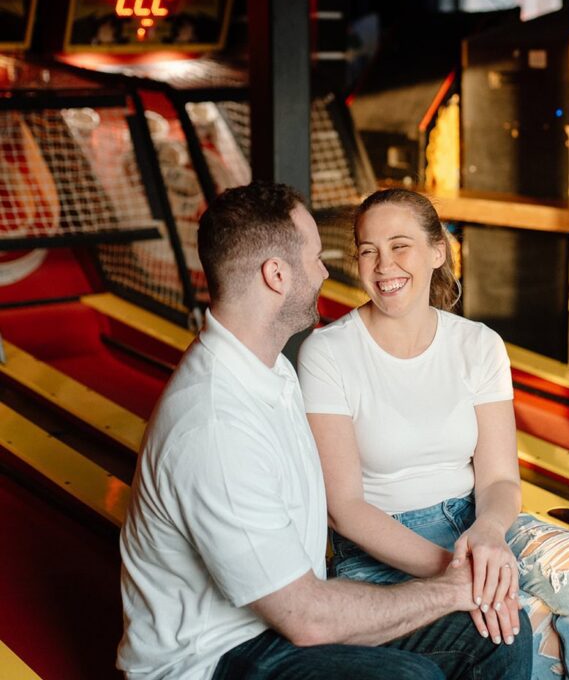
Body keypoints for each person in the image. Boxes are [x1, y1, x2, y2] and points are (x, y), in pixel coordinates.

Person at [117, 180, 531, 680]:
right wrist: (457, 585)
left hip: (278, 621)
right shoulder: (214, 427)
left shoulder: (269, 369)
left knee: (494, 635)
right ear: (276, 275)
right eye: (316, 257)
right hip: (214, 659)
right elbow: (308, 618)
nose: (325, 271)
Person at [298, 187, 569, 680]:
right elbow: (344, 508)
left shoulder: (478, 344)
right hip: (383, 548)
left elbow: (497, 480)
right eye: (368, 250)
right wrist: (460, 571)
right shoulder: (329, 353)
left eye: (400, 245)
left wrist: (487, 534)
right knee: (528, 629)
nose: (384, 265)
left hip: (476, 523)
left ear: (437, 251)